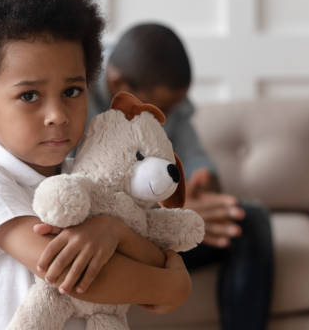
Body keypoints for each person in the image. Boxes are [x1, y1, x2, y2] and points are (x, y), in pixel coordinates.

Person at [0, 0, 192, 330]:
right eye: (29, 95)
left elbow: (173, 289)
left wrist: (113, 232)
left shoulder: (88, 179)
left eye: (72, 91)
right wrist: (166, 280)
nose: (57, 114)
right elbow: (75, 279)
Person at [90, 22, 274, 330]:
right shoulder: (75, 95)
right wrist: (170, 210)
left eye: (175, 107)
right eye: (163, 108)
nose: (170, 116)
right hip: (106, 234)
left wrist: (203, 182)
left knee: (246, 218)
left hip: (157, 227)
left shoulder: (167, 100)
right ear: (117, 82)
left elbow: (194, 155)